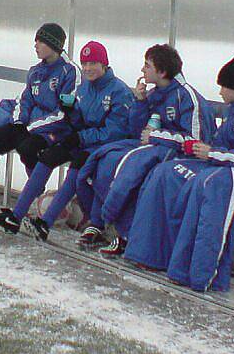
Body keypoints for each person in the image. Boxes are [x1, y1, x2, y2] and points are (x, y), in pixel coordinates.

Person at [125, 54, 234, 292]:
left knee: (207, 186)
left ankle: (200, 272)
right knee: (167, 173)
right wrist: (199, 150)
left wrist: (212, 154)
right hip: (219, 164)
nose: (219, 94)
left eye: (223, 87)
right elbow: (218, 144)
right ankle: (151, 255)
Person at [76, 44, 214, 256]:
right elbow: (137, 131)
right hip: (152, 147)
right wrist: (140, 103)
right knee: (105, 157)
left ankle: (124, 233)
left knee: (131, 172)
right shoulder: (154, 94)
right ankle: (98, 221)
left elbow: (196, 142)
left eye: (147, 66)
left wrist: (156, 136)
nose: (142, 70)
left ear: (162, 71)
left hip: (179, 157)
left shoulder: (186, 97)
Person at [0, 41, 131, 241]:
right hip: (83, 140)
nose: (88, 69)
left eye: (93, 64)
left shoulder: (118, 91)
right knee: (48, 156)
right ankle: (16, 216)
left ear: (104, 64)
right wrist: (71, 112)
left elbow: (114, 132)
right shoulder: (84, 88)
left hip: (103, 147)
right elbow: (79, 122)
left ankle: (45, 223)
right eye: (85, 64)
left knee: (77, 166)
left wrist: (80, 136)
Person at [0, 23, 79, 211]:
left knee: (28, 148)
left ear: (53, 45)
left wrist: (32, 126)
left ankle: (35, 197)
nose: (35, 45)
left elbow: (63, 113)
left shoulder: (69, 72)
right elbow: (25, 100)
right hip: (29, 125)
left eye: (40, 41)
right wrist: (19, 121)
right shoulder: (35, 71)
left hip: (54, 129)